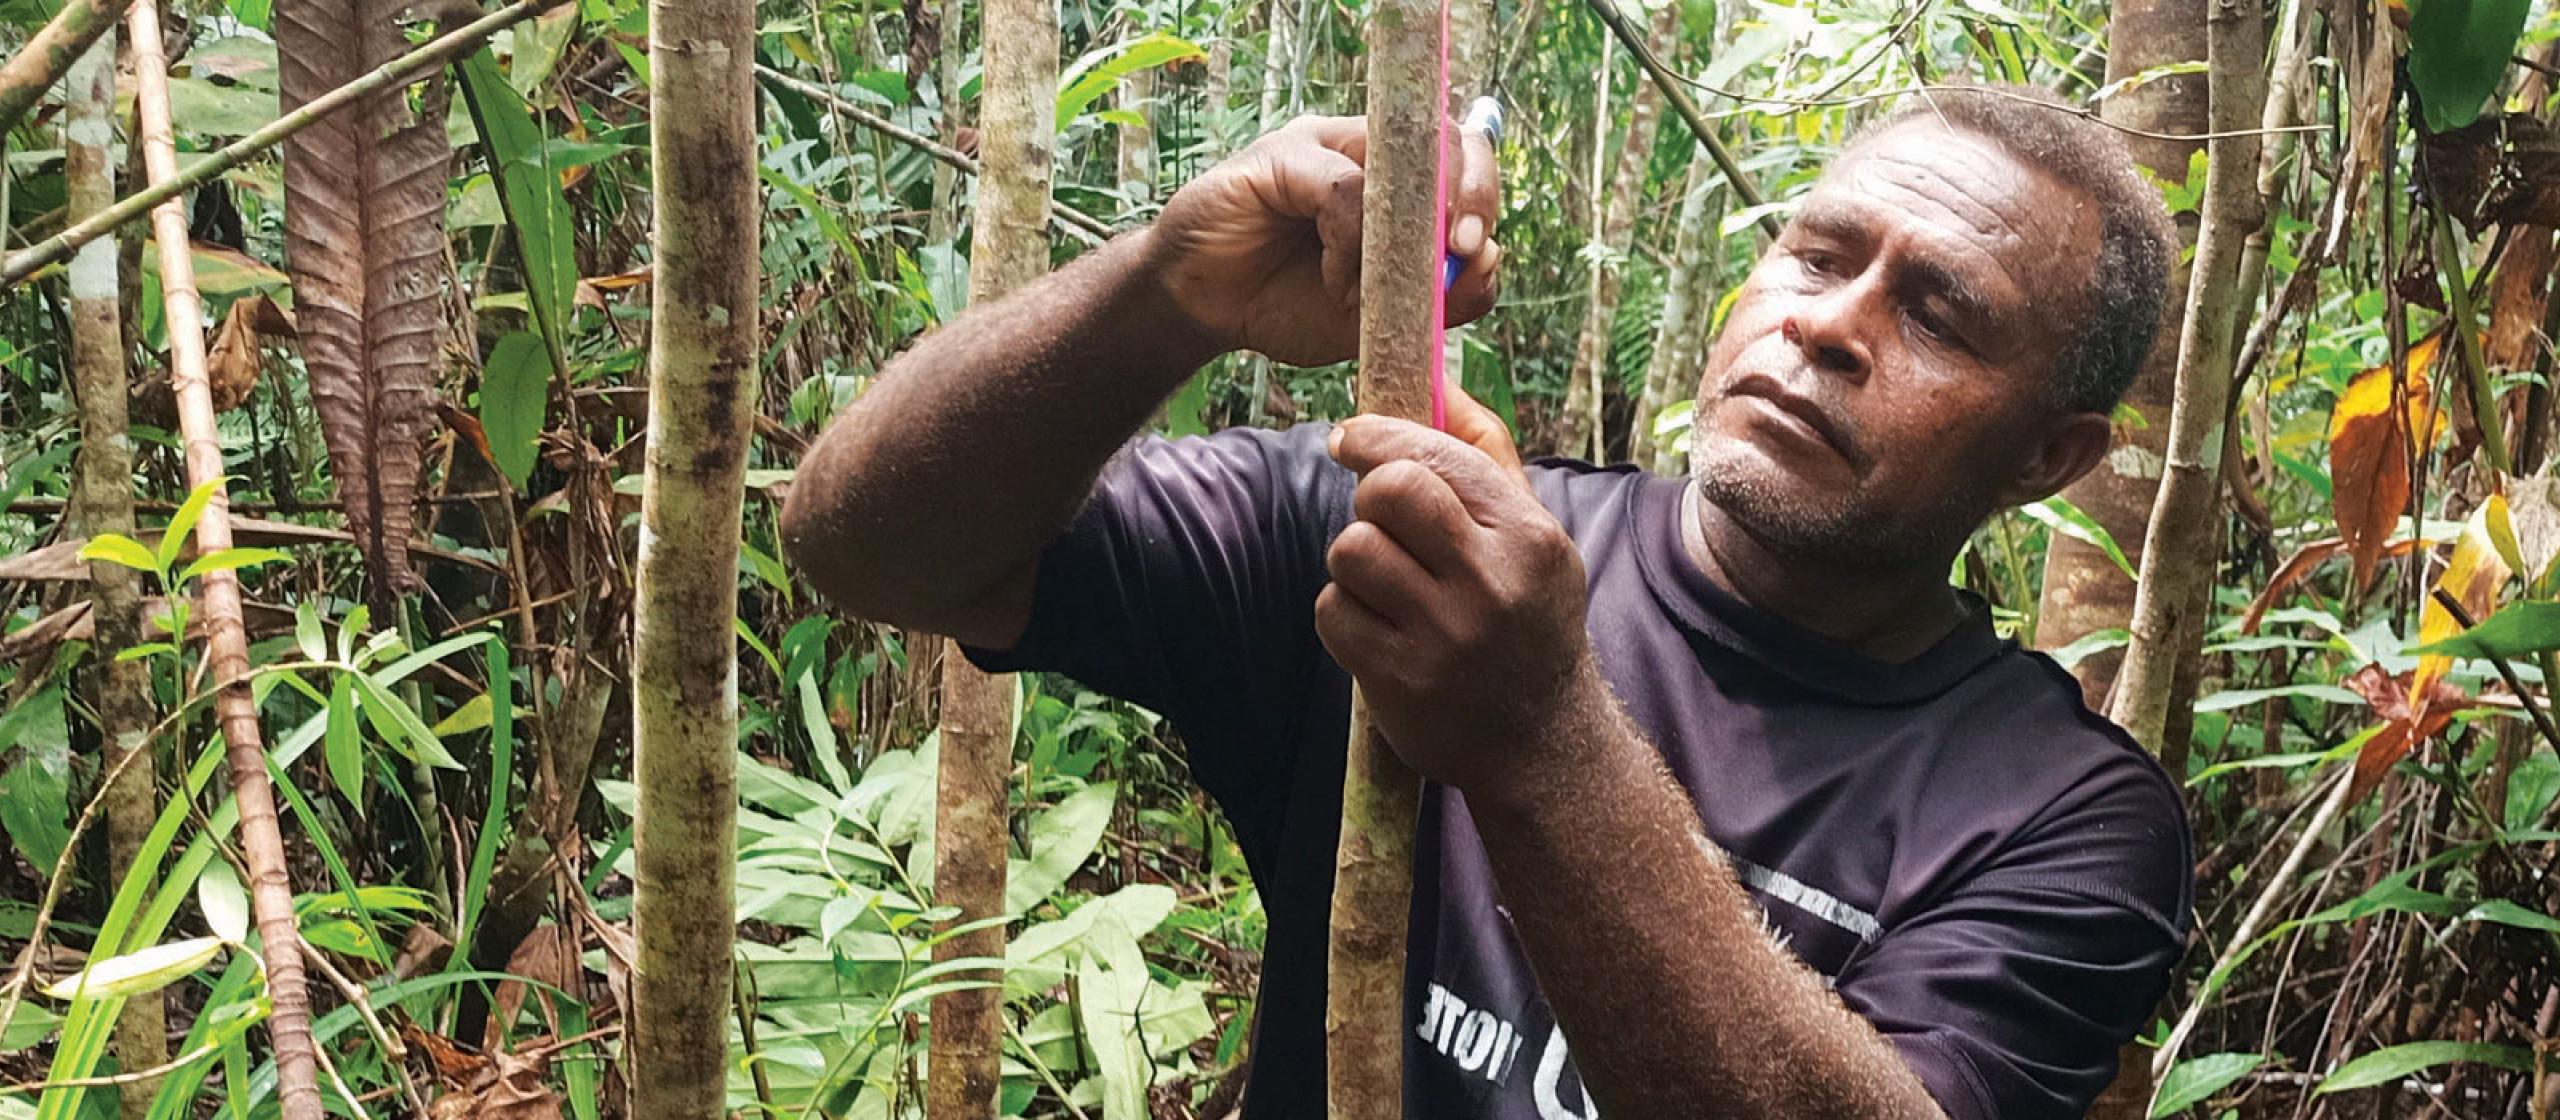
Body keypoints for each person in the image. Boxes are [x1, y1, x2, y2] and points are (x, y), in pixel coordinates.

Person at [782, 83, 2193, 1120]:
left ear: (2049, 457)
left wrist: (1543, 735)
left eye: (1938, 313)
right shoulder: (1403, 549)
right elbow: (869, 546)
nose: (1829, 324)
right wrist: (1168, 291)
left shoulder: (2064, 817)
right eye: (1819, 256)